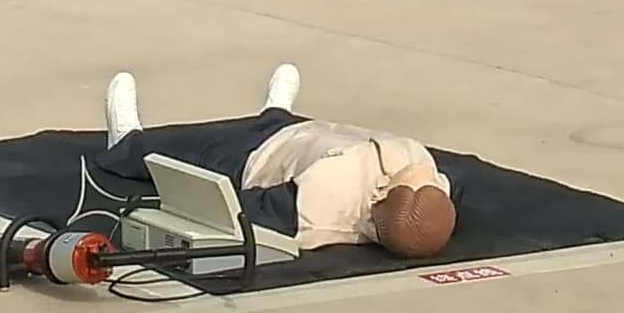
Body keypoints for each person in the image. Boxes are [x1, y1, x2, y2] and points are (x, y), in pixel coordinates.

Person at [98, 68, 455, 258]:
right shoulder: (426, 184)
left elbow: (239, 210)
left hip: (254, 155)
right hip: (309, 135)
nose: (426, 173)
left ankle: (126, 143)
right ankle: (275, 112)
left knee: (185, 148)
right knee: (281, 125)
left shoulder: (316, 208)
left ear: (381, 195)